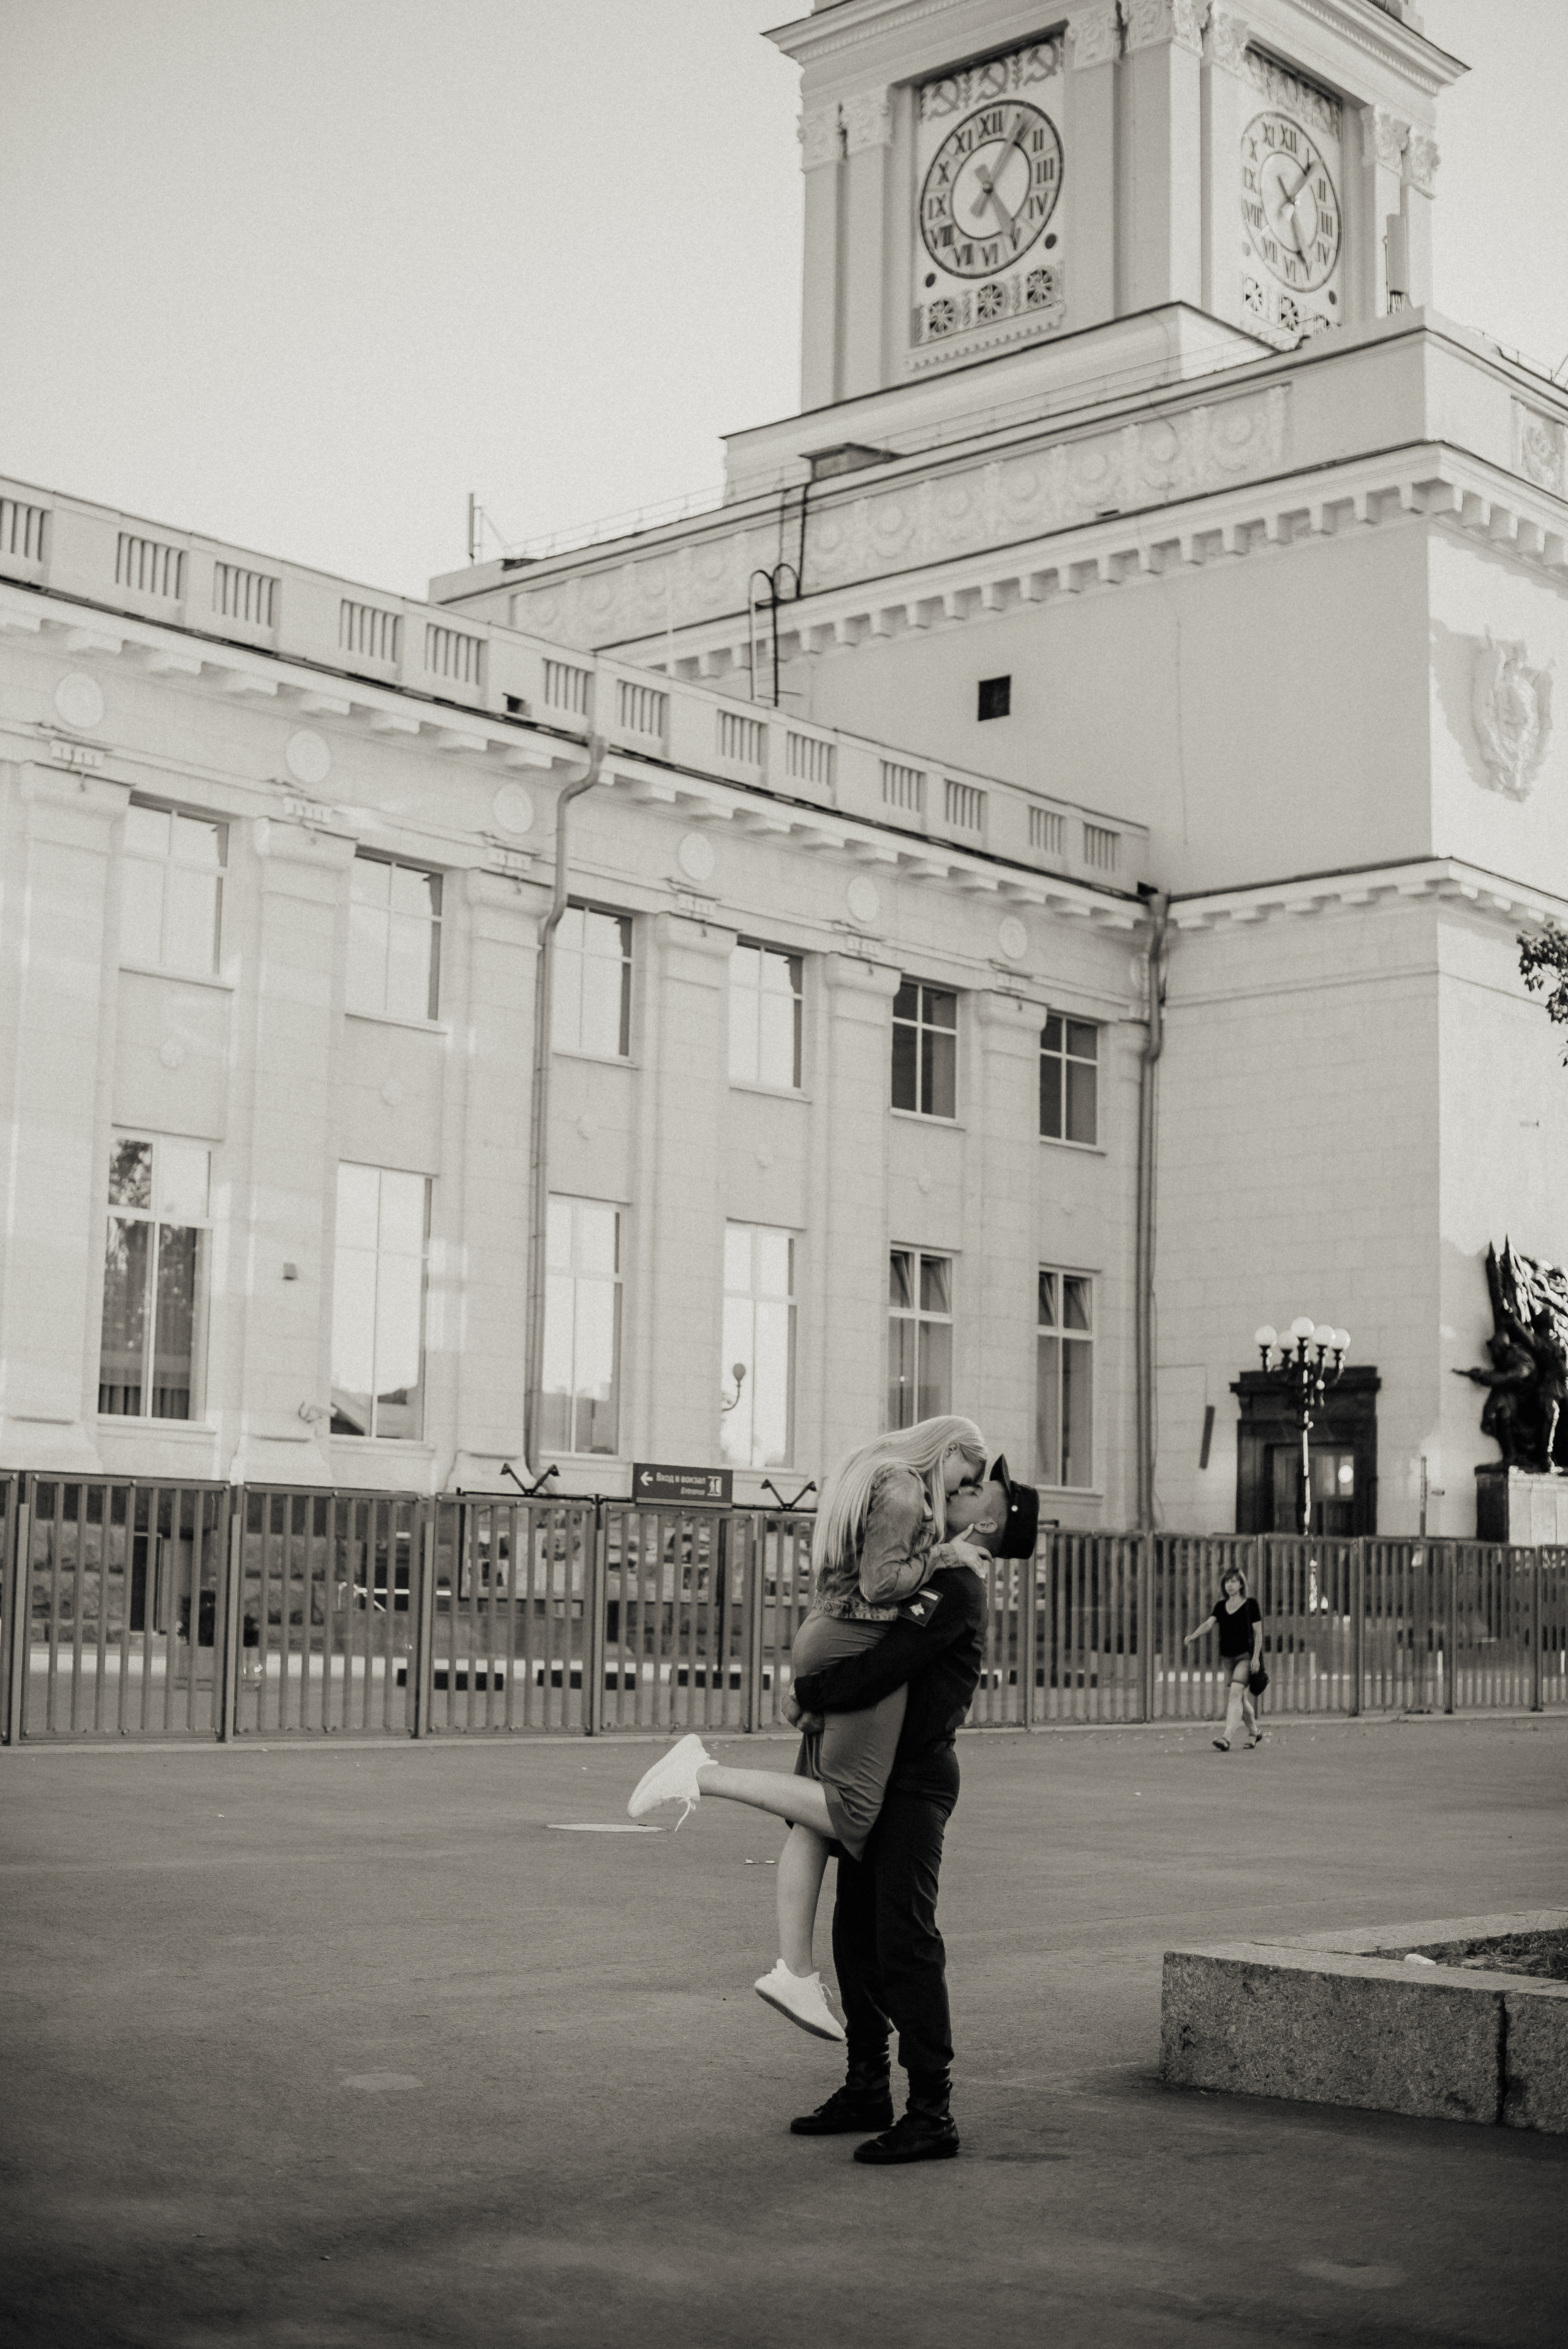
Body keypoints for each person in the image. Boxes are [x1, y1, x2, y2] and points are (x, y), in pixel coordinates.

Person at [625, 1417, 990, 2043]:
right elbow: (882, 1583)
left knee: (815, 1821)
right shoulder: (904, 1488)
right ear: (950, 1448)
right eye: (971, 1471)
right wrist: (944, 1553)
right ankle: (700, 1772)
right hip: (856, 1636)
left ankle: (793, 1969)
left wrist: (811, 1691)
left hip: (827, 1631)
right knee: (847, 1809)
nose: (969, 1488)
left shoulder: (872, 1472)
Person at [786, 1456, 1040, 2166]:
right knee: (856, 1935)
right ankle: (866, 2083)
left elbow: (890, 1661)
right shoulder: (932, 1566)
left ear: (988, 1518)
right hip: (878, 1773)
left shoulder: (955, 1586)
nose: (963, 1486)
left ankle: (932, 2111)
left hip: (914, 1782)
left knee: (904, 1940)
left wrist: (812, 1690)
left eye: (977, 1487)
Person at [1184, 1564, 1263, 1750]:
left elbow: (1258, 1633)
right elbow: (1208, 1624)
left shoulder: (1251, 1605)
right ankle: (1254, 1732)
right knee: (1241, 1699)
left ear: (1241, 1584)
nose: (1230, 1585)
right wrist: (1193, 1636)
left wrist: (1256, 1658)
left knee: (1235, 1694)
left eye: (1234, 1581)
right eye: (1227, 1581)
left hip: (1245, 1657)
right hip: (1227, 1659)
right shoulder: (1221, 1606)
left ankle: (1226, 1738)